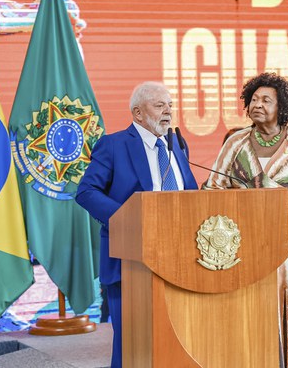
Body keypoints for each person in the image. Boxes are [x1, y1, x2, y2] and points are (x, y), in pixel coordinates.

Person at [203, 72, 288, 368]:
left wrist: (273, 199)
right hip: (243, 241)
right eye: (253, 99)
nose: (257, 104)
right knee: (251, 305)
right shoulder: (236, 142)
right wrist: (245, 201)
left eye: (265, 100)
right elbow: (212, 188)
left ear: (281, 106)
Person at [76, 82, 198, 368]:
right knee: (132, 344)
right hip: (131, 259)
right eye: (159, 105)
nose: (168, 111)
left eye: (170, 105)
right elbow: (86, 192)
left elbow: (188, 192)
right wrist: (130, 218)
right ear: (138, 113)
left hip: (178, 258)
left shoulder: (177, 144)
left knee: (176, 338)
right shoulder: (114, 144)